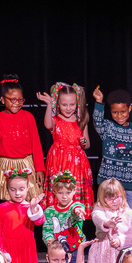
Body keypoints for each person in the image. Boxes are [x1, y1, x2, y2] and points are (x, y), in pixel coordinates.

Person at [0, 74, 45, 200]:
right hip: (6, 164)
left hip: (26, 163)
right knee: (9, 200)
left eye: (20, 100)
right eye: (12, 99)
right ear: (3, 100)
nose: (17, 103)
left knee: (26, 200)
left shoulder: (28, 117)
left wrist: (39, 169)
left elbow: (36, 143)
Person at [37, 82, 94, 213]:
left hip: (77, 164)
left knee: (74, 192)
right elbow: (47, 125)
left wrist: (83, 141)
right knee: (60, 192)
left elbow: (87, 144)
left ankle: (76, 221)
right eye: (64, 105)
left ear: (77, 103)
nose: (68, 108)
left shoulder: (81, 120)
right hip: (58, 161)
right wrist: (49, 105)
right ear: (58, 104)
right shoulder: (56, 119)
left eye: (72, 104)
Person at [92, 87, 132, 208]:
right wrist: (99, 102)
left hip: (130, 183)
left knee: (127, 215)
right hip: (108, 181)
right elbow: (97, 121)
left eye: (123, 111)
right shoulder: (107, 127)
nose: (119, 115)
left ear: (130, 109)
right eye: (115, 112)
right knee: (106, 214)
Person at [41, 171, 87, 263]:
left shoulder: (75, 206)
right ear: (54, 192)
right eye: (60, 193)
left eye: (68, 192)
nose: (64, 196)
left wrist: (78, 211)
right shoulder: (49, 211)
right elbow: (47, 230)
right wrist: (49, 240)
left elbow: (76, 208)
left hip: (75, 249)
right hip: (58, 252)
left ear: (74, 191)